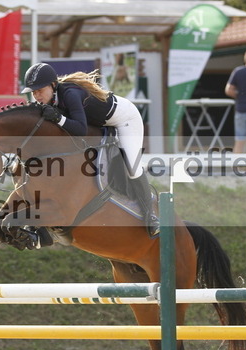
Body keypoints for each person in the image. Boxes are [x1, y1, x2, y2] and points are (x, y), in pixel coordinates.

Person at [21, 63, 159, 237]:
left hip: (126, 119)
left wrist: (58, 118)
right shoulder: (50, 99)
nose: (36, 95)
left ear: (53, 85)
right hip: (101, 122)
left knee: (132, 166)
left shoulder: (70, 94)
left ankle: (151, 216)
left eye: (40, 90)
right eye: (33, 92)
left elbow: (80, 129)